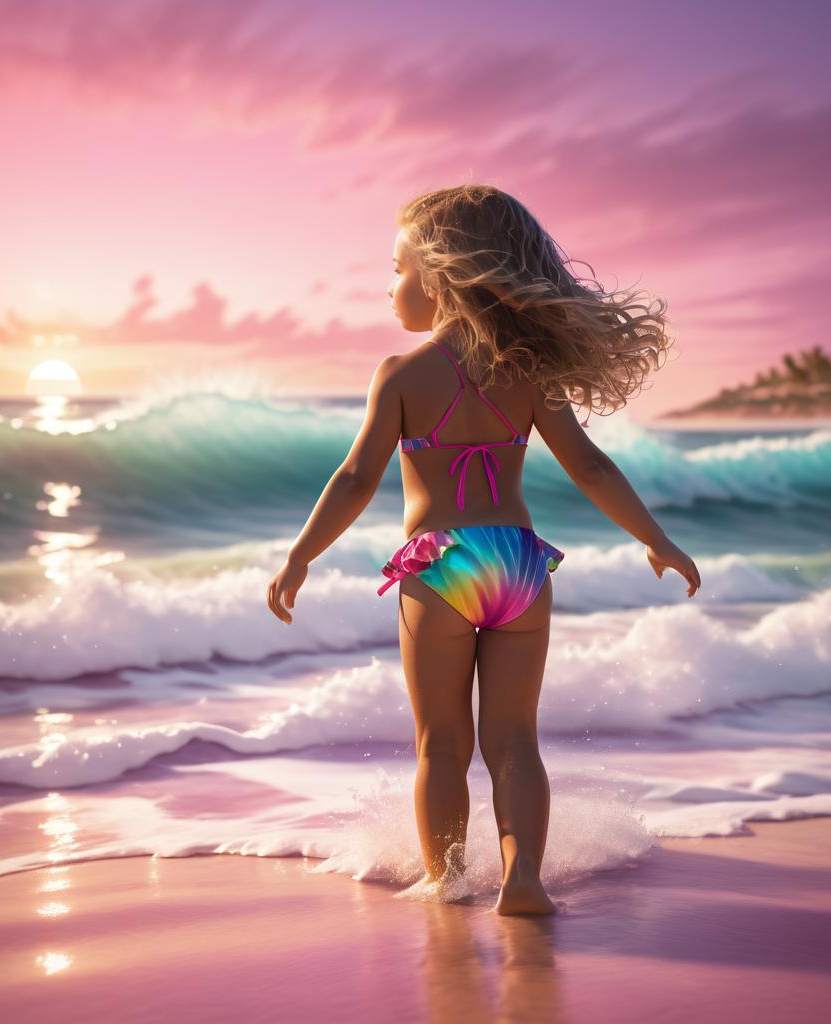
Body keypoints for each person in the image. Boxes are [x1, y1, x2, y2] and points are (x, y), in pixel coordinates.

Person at [266, 184, 700, 915]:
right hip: (521, 564)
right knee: (515, 742)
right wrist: (654, 539)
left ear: (442, 276)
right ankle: (522, 878)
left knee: (441, 743)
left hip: (439, 566)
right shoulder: (532, 374)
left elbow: (353, 479)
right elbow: (590, 467)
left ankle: (447, 880)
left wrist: (301, 554)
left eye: (397, 268)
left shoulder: (401, 375)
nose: (390, 285)